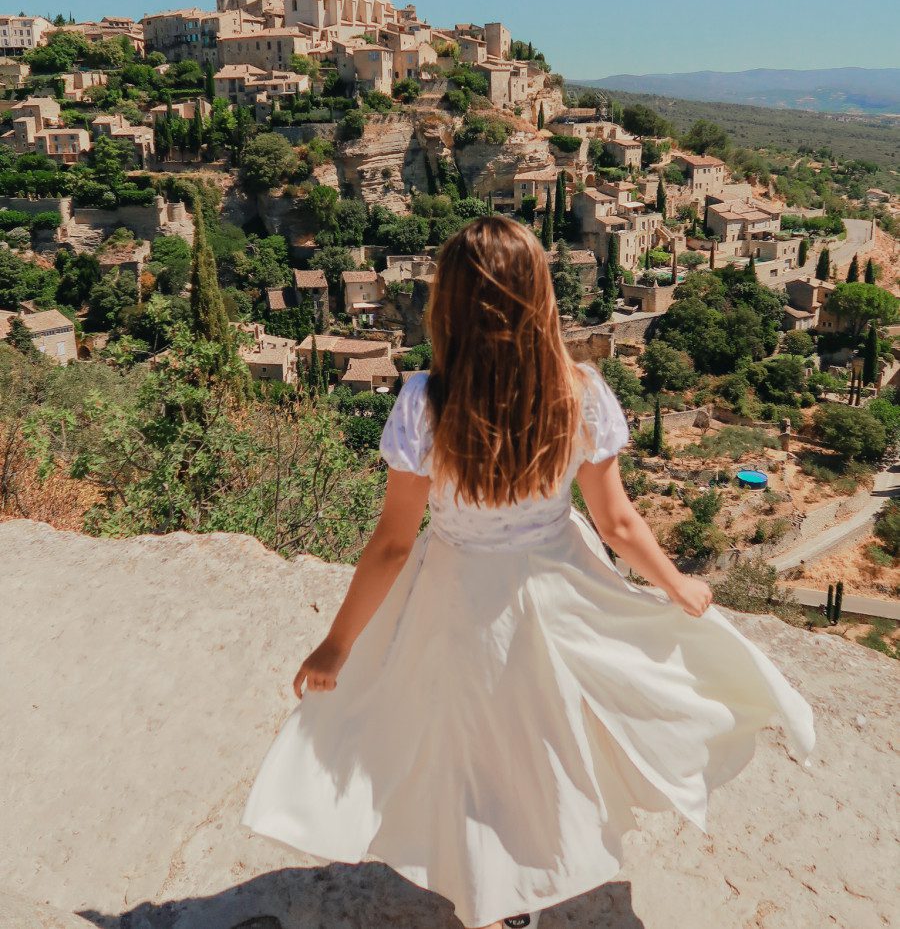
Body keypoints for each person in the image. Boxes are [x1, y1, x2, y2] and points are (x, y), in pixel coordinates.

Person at [241, 216, 815, 929]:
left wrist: (337, 645)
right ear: (540, 297)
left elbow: (392, 543)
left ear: (445, 305)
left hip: (454, 594)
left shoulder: (424, 401)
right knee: (548, 736)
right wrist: (678, 586)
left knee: (469, 739)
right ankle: (533, 875)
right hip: (557, 585)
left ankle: (490, 892)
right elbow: (617, 524)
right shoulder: (581, 391)